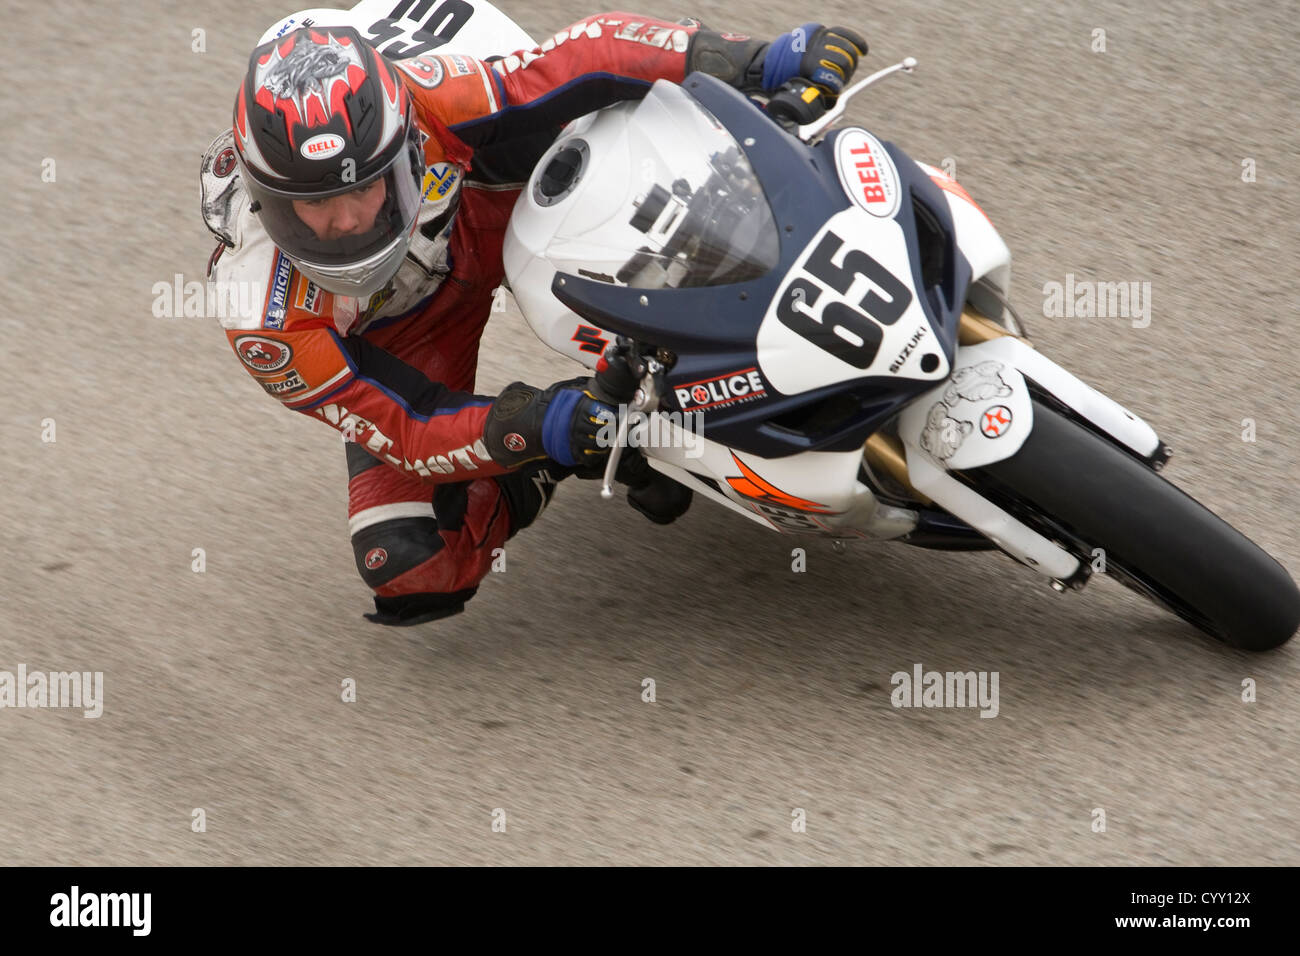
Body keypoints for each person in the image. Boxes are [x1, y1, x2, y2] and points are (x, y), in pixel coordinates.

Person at [199, 12, 867, 625]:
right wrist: (539, 423)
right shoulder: (263, 316)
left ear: (400, 148)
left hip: (486, 201)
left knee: (598, 121)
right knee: (409, 569)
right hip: (410, 329)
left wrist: (753, 58)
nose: (345, 223)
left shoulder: (427, 101)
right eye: (315, 205)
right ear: (266, 198)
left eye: (364, 186)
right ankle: (607, 435)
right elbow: (406, 426)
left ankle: (794, 235)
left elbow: (570, 63)